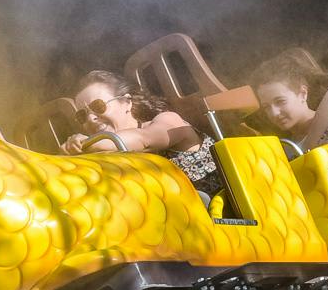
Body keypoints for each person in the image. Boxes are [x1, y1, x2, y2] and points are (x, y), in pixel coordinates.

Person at [62, 69, 226, 201]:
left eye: (98, 106)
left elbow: (144, 139)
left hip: (222, 216)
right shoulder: (107, 157)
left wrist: (85, 146)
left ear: (126, 102)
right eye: (82, 115)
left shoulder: (168, 121)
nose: (91, 118)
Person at [251, 53, 328, 169]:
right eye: (266, 107)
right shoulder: (288, 149)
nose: (274, 113)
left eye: (280, 101)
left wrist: (307, 147)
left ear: (303, 94)